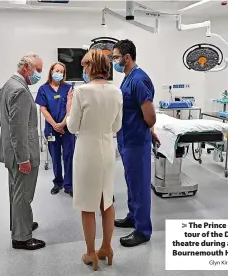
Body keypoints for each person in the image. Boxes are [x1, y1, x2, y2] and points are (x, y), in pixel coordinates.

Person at [66, 49, 123, 271]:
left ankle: (91, 253)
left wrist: (70, 107)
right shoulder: (116, 92)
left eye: (84, 66)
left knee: (88, 205)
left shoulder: (81, 92)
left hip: (87, 153)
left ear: (90, 67)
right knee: (106, 202)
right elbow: (117, 126)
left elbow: (72, 127)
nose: (83, 70)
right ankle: (107, 247)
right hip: (108, 150)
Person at [0, 53, 45, 251]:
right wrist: (23, 158)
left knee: (15, 190)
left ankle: (19, 224)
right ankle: (22, 237)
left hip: (10, 150)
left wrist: (11, 139)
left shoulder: (8, 85)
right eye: (38, 70)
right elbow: (18, 129)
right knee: (23, 194)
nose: (39, 74)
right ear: (26, 67)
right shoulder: (21, 91)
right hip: (22, 154)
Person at [112, 39, 158, 247]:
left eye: (115, 57)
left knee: (139, 185)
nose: (114, 61)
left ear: (126, 57)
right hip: (126, 139)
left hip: (137, 142)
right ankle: (133, 216)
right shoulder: (127, 78)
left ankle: (143, 230)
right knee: (131, 181)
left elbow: (150, 117)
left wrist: (148, 131)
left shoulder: (139, 80)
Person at [35, 62, 75, 197]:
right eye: (56, 70)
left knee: (69, 156)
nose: (59, 74)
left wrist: (62, 124)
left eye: (61, 72)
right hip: (52, 130)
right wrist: (55, 125)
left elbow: (71, 108)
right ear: (51, 71)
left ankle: (69, 185)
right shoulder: (43, 89)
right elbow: (43, 109)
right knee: (55, 157)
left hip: (67, 129)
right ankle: (58, 182)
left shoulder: (69, 88)